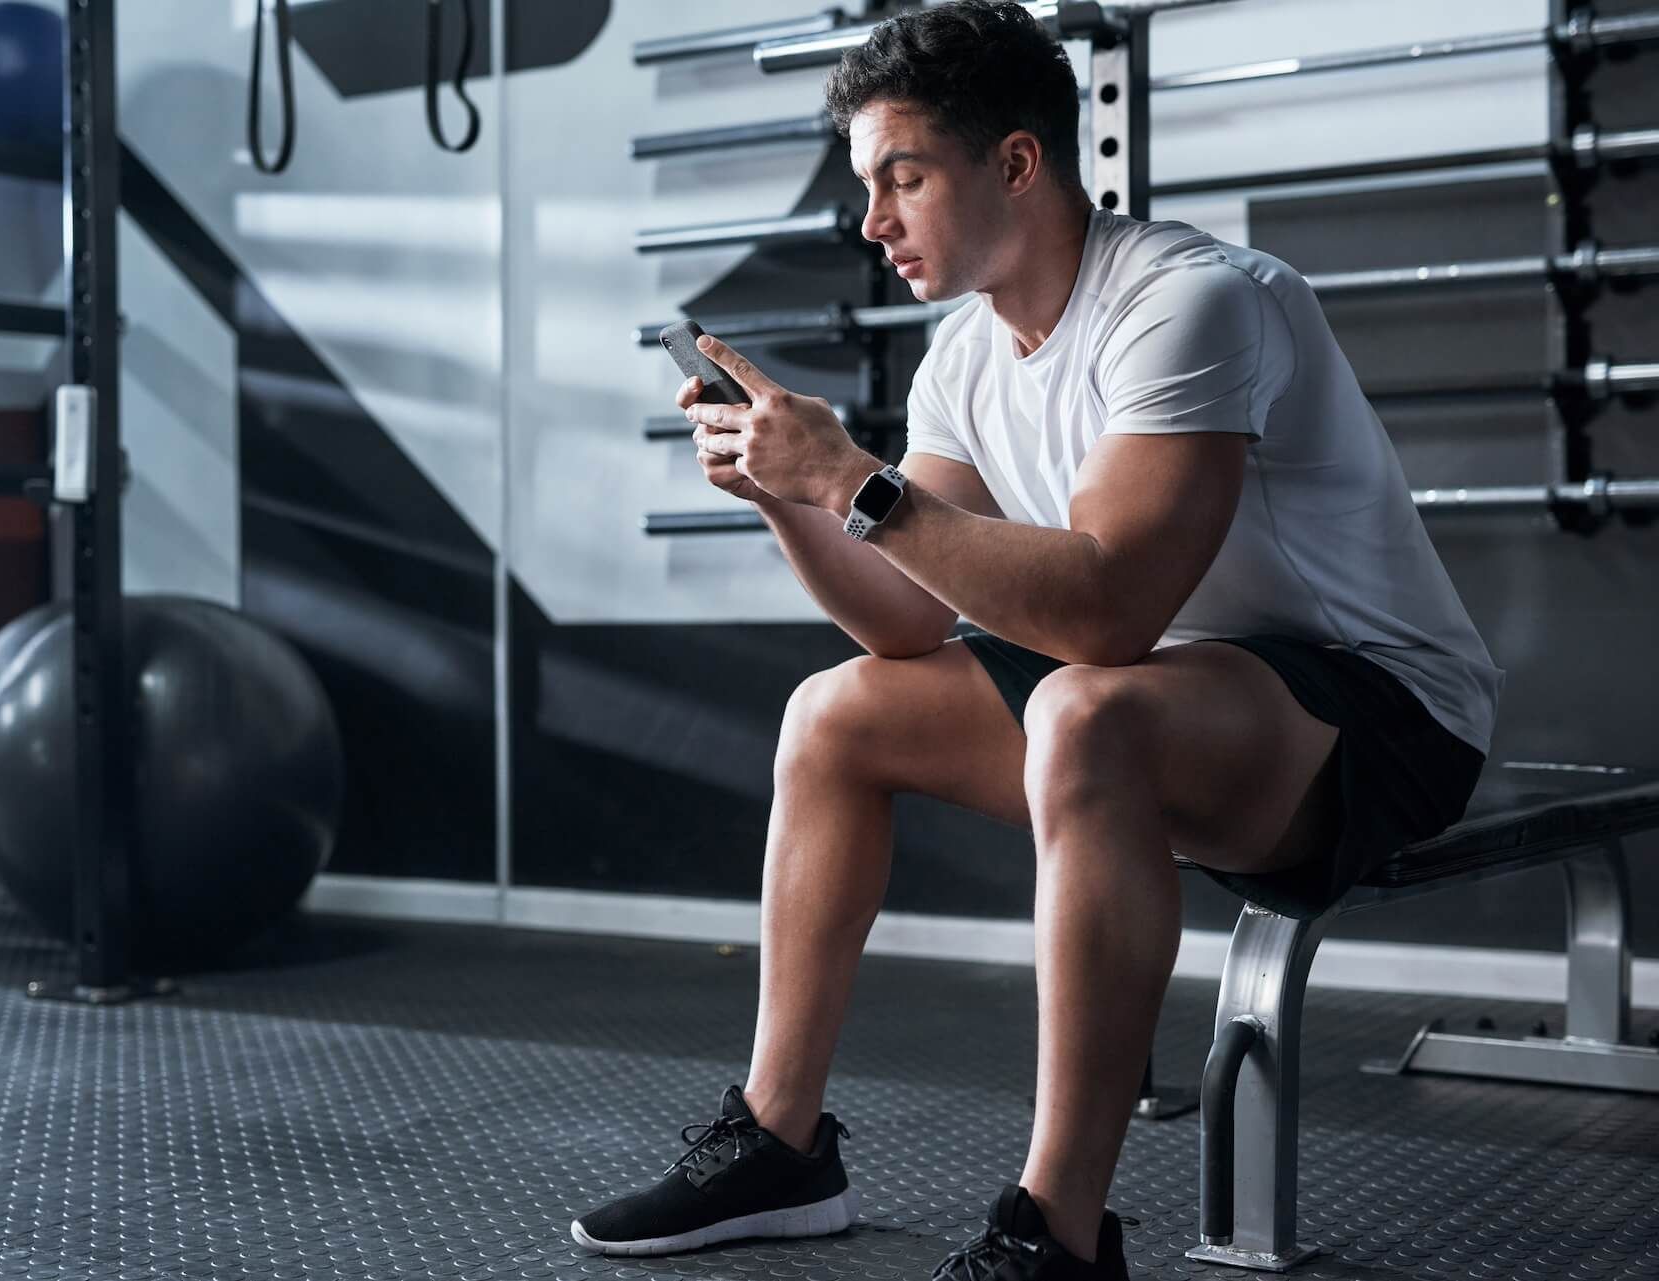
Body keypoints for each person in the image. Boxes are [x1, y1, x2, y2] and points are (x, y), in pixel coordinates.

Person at [569, 3, 1503, 1277]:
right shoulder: (967, 355)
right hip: (1175, 696)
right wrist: (796, 495)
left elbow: (1111, 611)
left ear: (1015, 162)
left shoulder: (1193, 304)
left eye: (903, 177)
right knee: (836, 714)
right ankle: (783, 1148)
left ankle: (1055, 1233)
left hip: (1377, 716)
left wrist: (852, 480)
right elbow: (905, 615)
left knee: (1084, 707)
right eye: (867, 186)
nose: (874, 223)